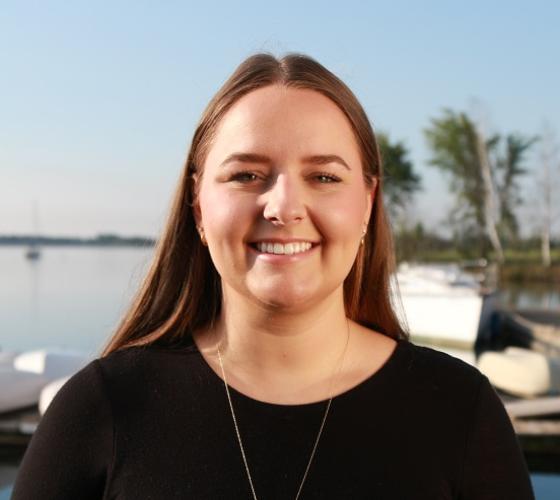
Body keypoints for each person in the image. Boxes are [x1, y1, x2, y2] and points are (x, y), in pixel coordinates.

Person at [12, 52, 534, 500]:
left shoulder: (459, 414)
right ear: (198, 205)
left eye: (324, 177)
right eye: (246, 175)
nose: (284, 207)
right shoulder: (100, 411)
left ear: (368, 205)